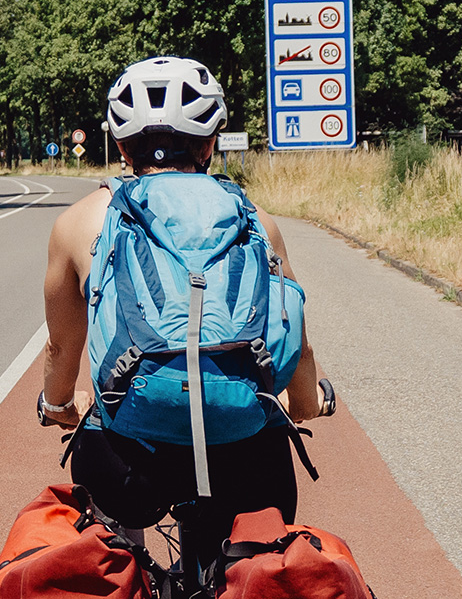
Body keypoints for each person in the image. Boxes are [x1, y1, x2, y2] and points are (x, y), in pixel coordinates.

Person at [38, 56, 326, 567]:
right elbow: (294, 333)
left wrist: (60, 405)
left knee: (106, 547)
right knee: (257, 557)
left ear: (121, 147)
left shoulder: (78, 224)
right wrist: (305, 402)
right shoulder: (254, 219)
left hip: (128, 462)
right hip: (244, 455)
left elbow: (62, 345)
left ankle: (126, 569)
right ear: (211, 142)